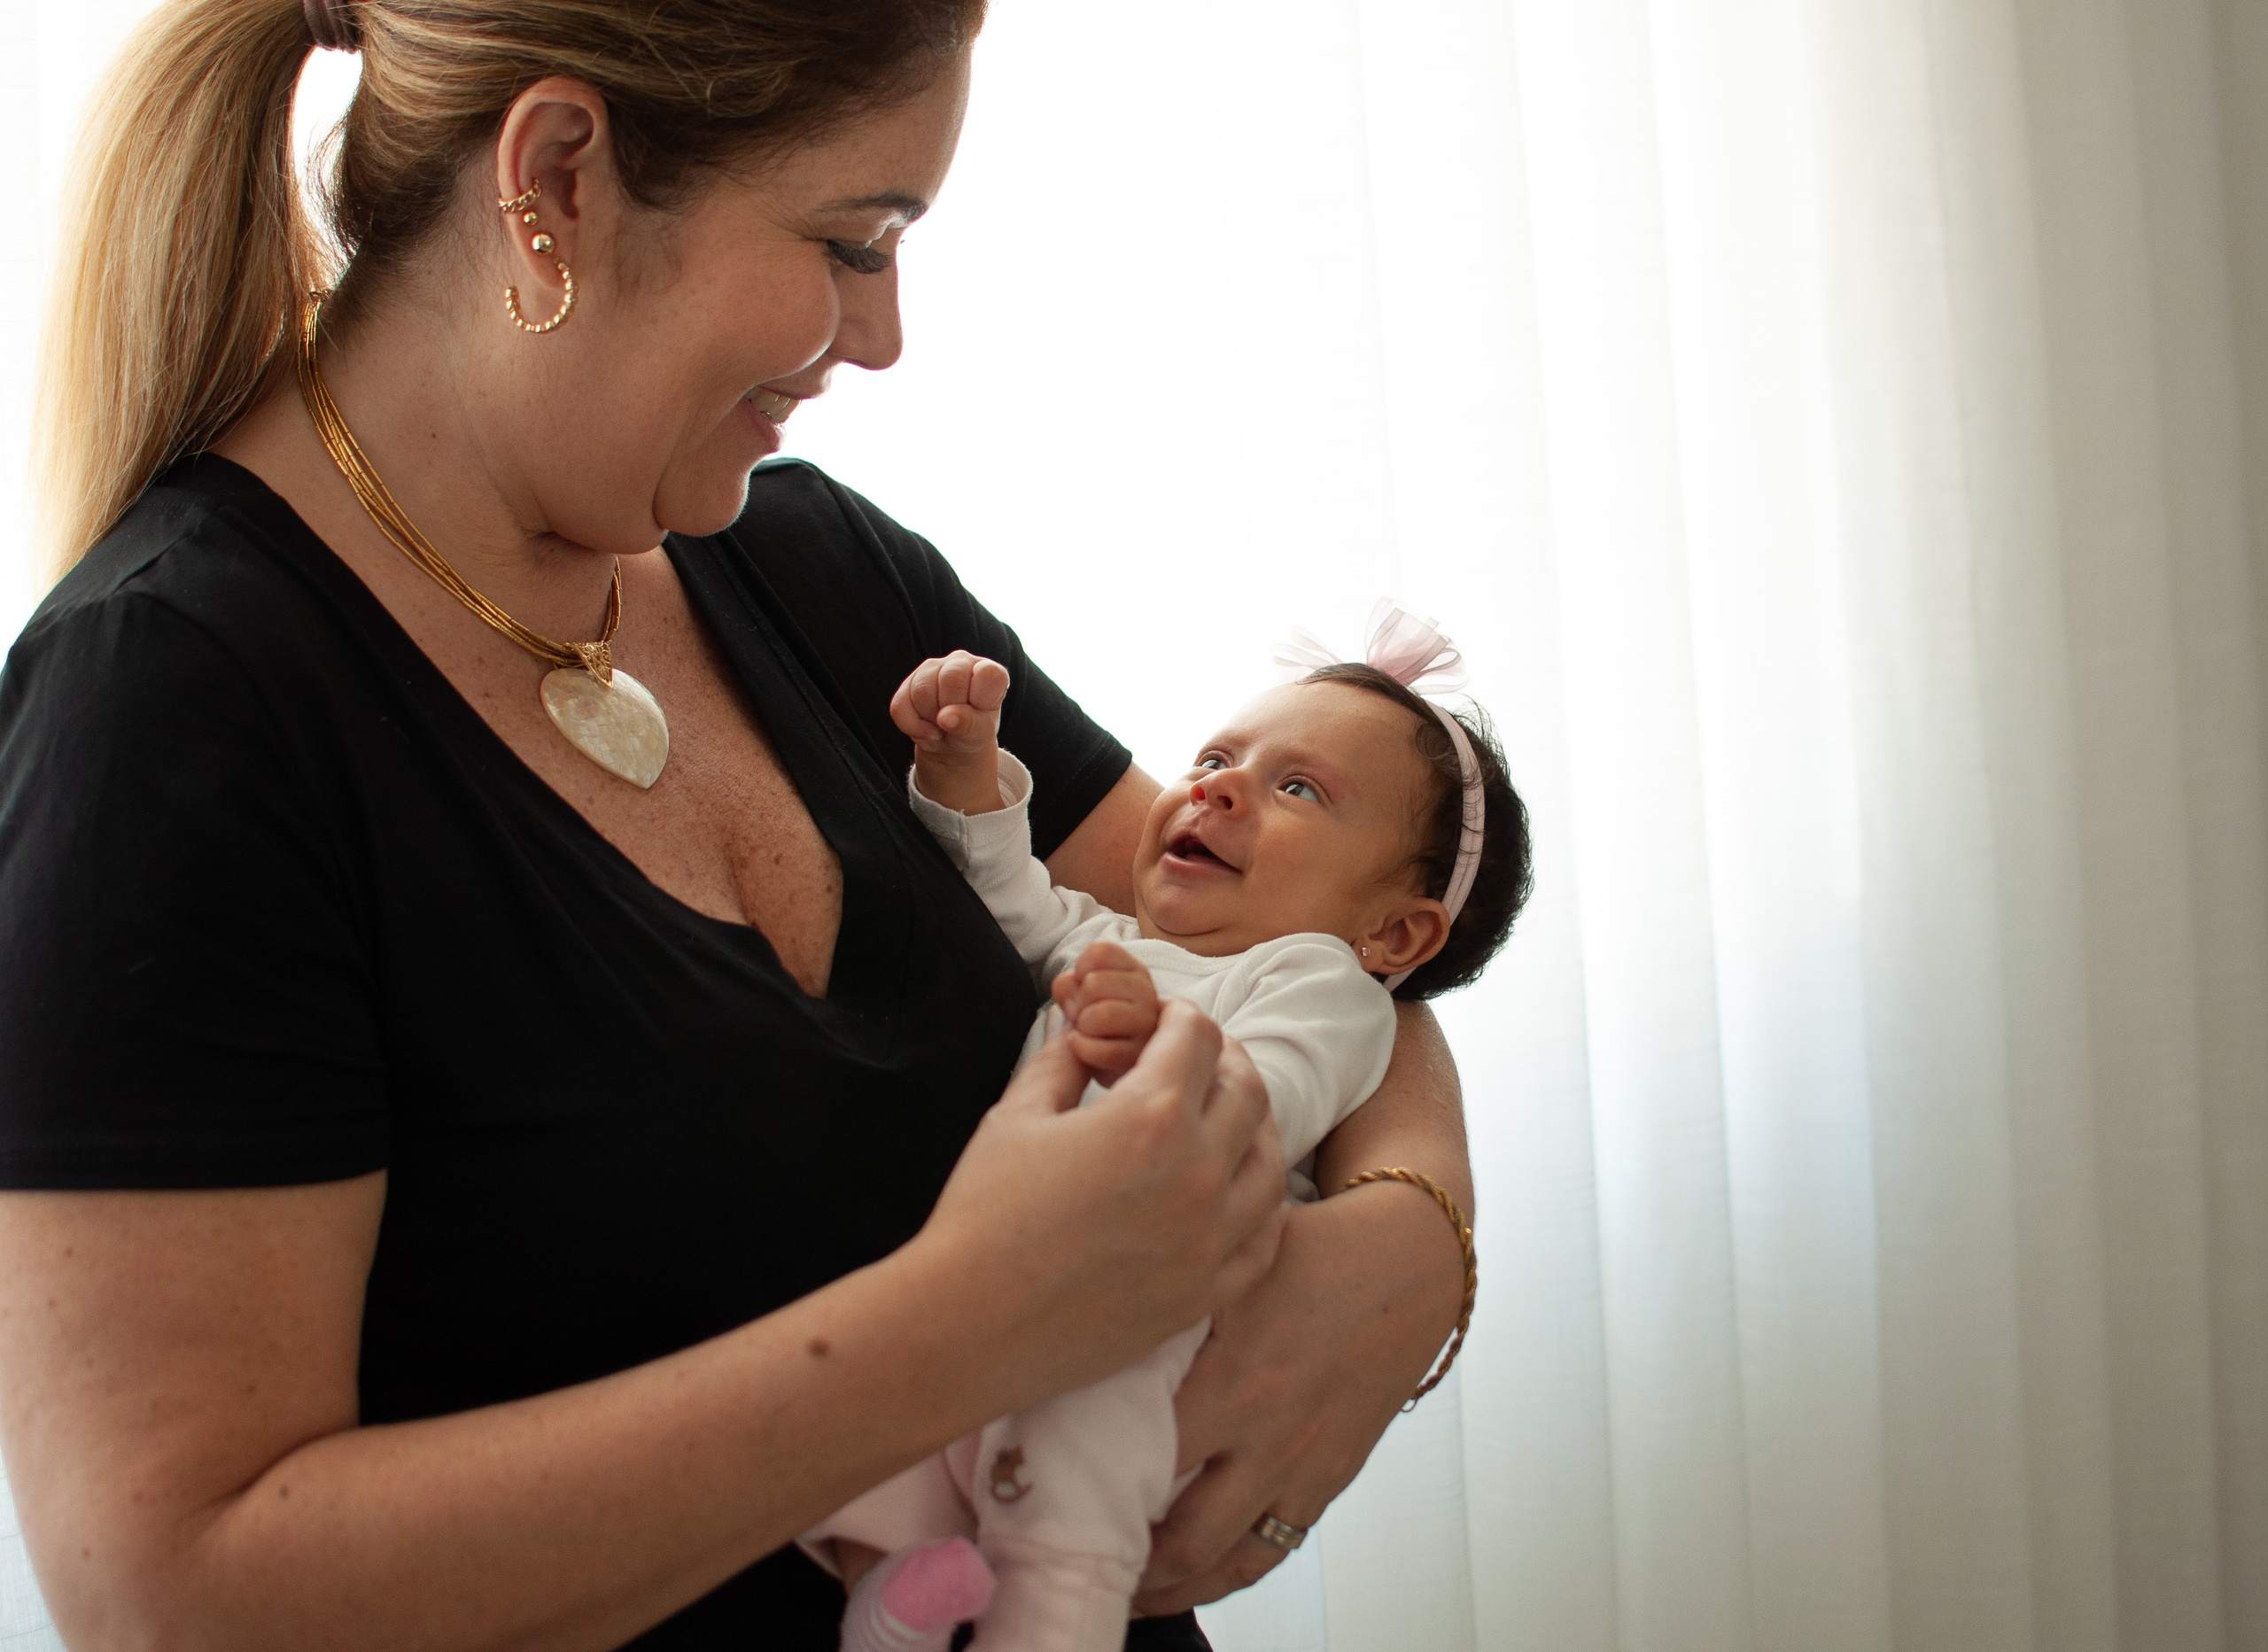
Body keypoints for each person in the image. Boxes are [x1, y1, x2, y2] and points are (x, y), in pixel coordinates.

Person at [0, 1, 1477, 1648]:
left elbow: (1297, 928)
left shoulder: (816, 567)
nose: (886, 333)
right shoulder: (175, 705)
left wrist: (1412, 1242)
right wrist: (969, 1324)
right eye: (855, 240)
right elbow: (177, 1598)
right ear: (559, 176)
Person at [807, 637, 1527, 1652]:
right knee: (884, 1421)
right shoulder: (1115, 940)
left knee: (1066, 1475)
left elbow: (1261, 1104)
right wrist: (962, 769)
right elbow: (1002, 891)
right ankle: (896, 1596)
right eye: (1214, 758)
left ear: (1393, 936)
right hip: (1033, 1284)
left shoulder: (1319, 986)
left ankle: (1052, 1619)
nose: (1218, 787)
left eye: (1298, 788)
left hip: (1166, 1324)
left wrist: (1153, 1035)